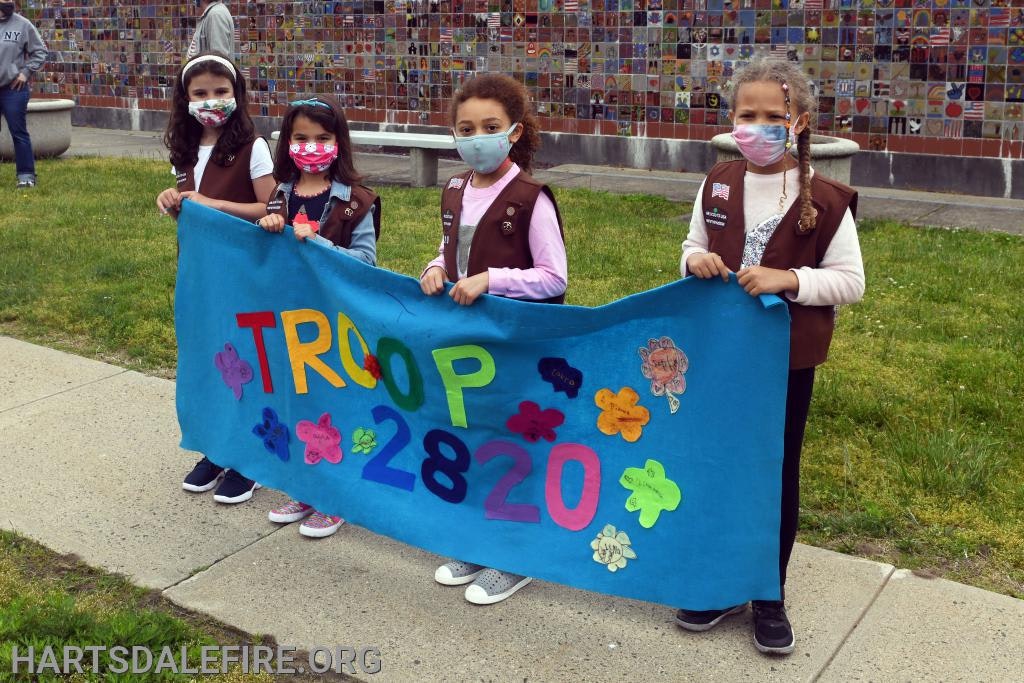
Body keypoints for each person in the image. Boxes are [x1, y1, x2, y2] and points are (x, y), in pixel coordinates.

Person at [677, 58, 865, 655]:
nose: (757, 127)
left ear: (799, 122)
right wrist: (692, 262)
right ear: (731, 121)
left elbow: (850, 281)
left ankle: (768, 593)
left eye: (772, 117)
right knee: (720, 466)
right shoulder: (718, 182)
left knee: (775, 472)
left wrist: (791, 279)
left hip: (785, 362)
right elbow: (691, 246)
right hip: (720, 355)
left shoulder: (827, 202)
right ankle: (722, 582)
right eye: (746, 116)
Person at [419, 73, 567, 604]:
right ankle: (479, 541)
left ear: (512, 132)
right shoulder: (457, 188)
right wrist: (437, 268)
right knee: (476, 438)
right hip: (469, 343)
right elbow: (452, 251)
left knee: (514, 447)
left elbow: (554, 277)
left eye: (489, 127)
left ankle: (514, 554)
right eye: (465, 128)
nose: (476, 136)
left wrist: (493, 281)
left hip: (516, 344)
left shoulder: (529, 198)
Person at [257, 95, 380, 538]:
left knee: (335, 406)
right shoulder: (281, 194)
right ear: (287, 142)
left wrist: (317, 242)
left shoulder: (357, 202)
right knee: (301, 405)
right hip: (293, 322)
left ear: (338, 143)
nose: (312, 147)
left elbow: (366, 263)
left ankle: (336, 495)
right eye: (301, 138)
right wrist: (270, 229)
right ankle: (307, 486)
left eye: (323, 138)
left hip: (336, 323)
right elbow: (265, 261)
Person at [157, 51, 276, 502]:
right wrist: (176, 202)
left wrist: (215, 204)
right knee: (210, 361)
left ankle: (249, 454)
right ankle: (217, 447)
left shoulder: (253, 148)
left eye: (221, 91)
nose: (212, 100)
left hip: (243, 274)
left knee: (246, 361)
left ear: (237, 96)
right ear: (184, 99)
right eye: (201, 93)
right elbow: (191, 216)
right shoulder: (185, 150)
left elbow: (271, 208)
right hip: (201, 275)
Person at [0, 2, 48, 189]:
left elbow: (40, 51)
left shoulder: (23, 24)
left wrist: (25, 72)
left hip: (13, 89)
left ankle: (26, 176)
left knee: (18, 133)